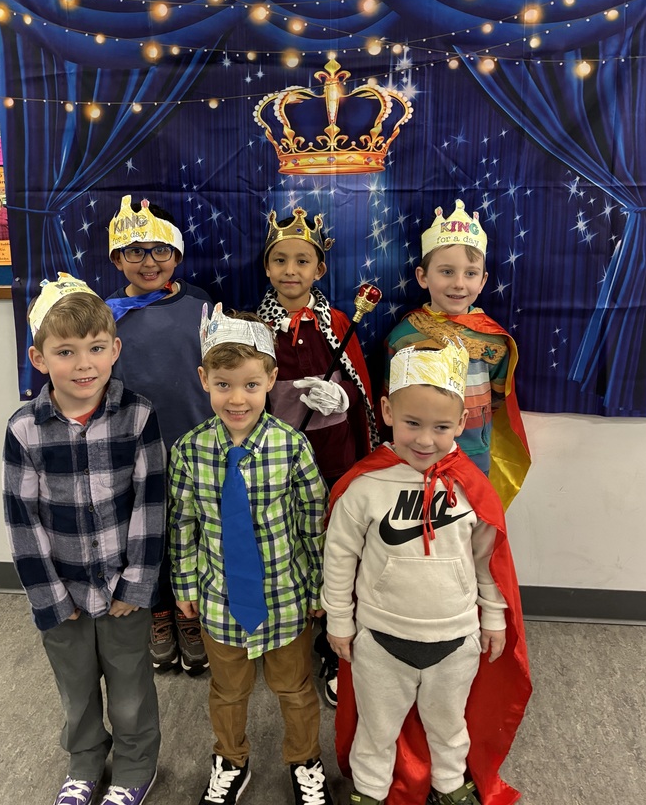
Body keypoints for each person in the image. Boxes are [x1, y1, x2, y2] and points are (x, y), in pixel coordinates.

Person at [322, 342, 531, 805]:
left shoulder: (471, 487)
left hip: (455, 637)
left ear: (461, 422)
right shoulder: (365, 486)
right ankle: (370, 790)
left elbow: (488, 560)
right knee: (376, 727)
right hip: (380, 636)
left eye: (440, 427)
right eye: (412, 423)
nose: (424, 440)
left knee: (449, 722)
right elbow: (339, 557)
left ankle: (449, 783)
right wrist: (338, 619)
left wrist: (494, 617)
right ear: (387, 411)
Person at [2, 273, 165, 805]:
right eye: (65, 352)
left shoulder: (138, 415)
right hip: (62, 589)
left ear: (115, 349)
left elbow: (150, 505)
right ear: (39, 358)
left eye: (96, 348)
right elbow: (21, 519)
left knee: (130, 685)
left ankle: (135, 765)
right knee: (75, 686)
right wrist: (49, 595)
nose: (83, 364)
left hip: (122, 588)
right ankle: (85, 760)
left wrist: (136, 584)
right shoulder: (25, 428)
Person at [169, 304, 333, 805]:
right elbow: (183, 524)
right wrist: (185, 584)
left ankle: (304, 759)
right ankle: (230, 758)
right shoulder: (189, 450)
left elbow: (313, 522)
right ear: (204, 380)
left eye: (250, 385)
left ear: (271, 380)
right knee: (227, 691)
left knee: (296, 689)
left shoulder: (293, 446)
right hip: (220, 600)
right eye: (223, 385)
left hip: (285, 599)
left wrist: (319, 588)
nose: (237, 398)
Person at [257, 206, 377, 707]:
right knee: (285, 541)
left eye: (302, 261)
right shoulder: (255, 327)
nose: (291, 270)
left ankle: (334, 642)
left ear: (319, 269)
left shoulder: (340, 323)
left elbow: (360, 384)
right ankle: (287, 636)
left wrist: (343, 398)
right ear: (267, 267)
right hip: (280, 459)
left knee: (336, 546)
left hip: (333, 456)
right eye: (280, 260)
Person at [106, 195, 213, 676]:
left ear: (177, 254)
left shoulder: (202, 306)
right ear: (117, 258)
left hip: (195, 446)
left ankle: (191, 616)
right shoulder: (106, 315)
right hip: (136, 451)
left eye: (159, 250)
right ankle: (159, 612)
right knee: (146, 536)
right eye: (135, 251)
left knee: (191, 532)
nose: (149, 262)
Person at [385, 201, 530, 506]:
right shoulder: (404, 336)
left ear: (483, 280)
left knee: (469, 518)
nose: (459, 284)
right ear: (423, 277)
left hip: (474, 452)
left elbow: (498, 396)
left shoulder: (492, 339)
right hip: (417, 451)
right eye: (447, 272)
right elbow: (391, 395)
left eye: (470, 273)